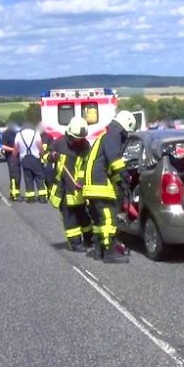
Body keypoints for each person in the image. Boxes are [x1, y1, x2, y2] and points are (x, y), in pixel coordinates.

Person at [83, 110, 136, 263]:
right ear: (126, 126)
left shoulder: (107, 133)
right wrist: (125, 177)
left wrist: (119, 181)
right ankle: (110, 253)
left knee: (99, 221)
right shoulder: (114, 134)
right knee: (109, 219)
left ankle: (99, 250)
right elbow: (114, 160)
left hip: (92, 185)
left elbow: (107, 164)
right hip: (99, 185)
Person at [48, 117, 93, 252]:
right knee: (70, 217)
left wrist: (82, 180)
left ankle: (88, 239)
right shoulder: (59, 143)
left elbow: (88, 165)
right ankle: (75, 243)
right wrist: (52, 156)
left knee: (84, 216)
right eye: (76, 138)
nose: (79, 140)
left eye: (81, 138)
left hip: (79, 188)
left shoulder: (85, 146)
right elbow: (44, 156)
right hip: (64, 188)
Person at [14, 122, 48, 203]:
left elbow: (16, 148)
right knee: (39, 178)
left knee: (28, 179)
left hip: (24, 159)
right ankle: (42, 197)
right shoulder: (36, 134)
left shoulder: (19, 135)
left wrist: (13, 158)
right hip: (35, 158)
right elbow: (40, 147)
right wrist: (44, 155)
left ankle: (30, 198)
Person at [1, 121, 22, 201]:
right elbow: (3, 146)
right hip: (11, 157)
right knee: (14, 176)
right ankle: (15, 194)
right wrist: (13, 150)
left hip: (18, 157)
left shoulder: (17, 133)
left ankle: (14, 193)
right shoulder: (6, 134)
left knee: (18, 175)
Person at [38, 123, 55, 194]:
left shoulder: (49, 137)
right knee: (41, 177)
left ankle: (50, 191)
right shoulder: (37, 137)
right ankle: (44, 192)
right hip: (38, 160)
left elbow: (52, 148)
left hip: (47, 161)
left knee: (49, 177)